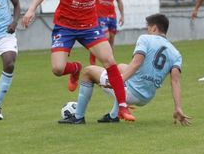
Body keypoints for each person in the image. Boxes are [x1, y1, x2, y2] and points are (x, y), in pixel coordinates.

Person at [22, 0, 151, 121]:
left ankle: (122, 107)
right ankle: (75, 68)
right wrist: (30, 10)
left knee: (109, 60)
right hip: (65, 26)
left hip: (89, 26)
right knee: (58, 69)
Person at [59, 14, 191, 126]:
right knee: (121, 67)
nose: (147, 31)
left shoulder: (145, 39)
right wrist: (178, 107)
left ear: (154, 28)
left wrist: (117, 81)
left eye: (148, 28)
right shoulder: (175, 53)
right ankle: (113, 115)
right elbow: (175, 82)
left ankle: (78, 117)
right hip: (146, 97)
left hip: (131, 92)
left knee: (88, 72)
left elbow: (136, 63)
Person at [89, 0, 124, 65]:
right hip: (100, 16)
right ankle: (93, 60)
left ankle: (111, 62)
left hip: (112, 16)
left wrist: (122, 15)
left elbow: (119, 0)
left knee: (111, 39)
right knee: (105, 37)